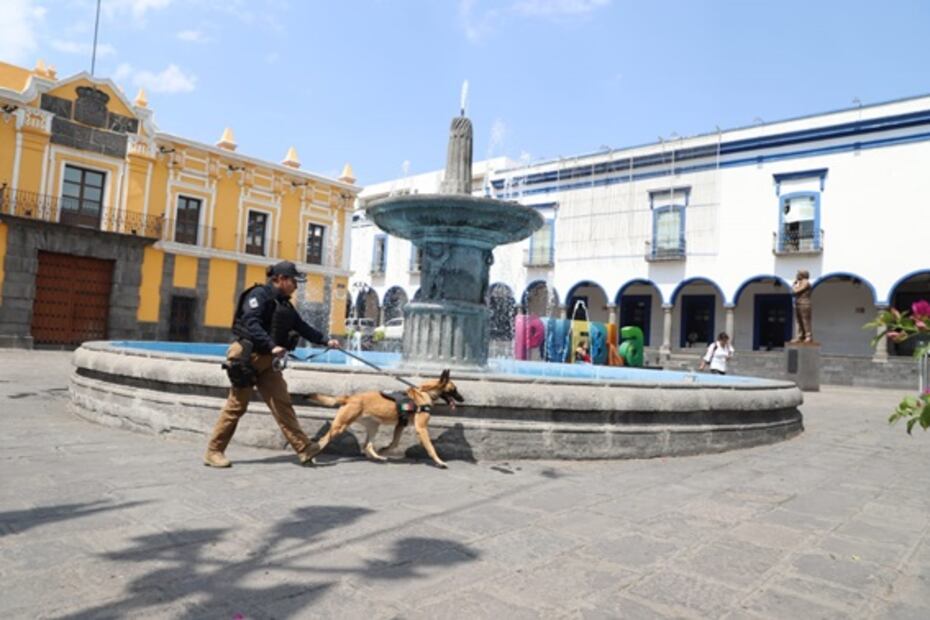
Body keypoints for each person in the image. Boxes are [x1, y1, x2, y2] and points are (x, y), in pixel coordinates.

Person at [204, 260, 340, 468]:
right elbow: (252, 322)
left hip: (268, 361)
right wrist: (272, 345)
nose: (296, 285)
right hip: (247, 356)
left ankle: (304, 449)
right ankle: (214, 451)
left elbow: (301, 326)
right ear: (282, 279)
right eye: (294, 281)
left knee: (282, 403)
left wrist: (325, 340)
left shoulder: (285, 304)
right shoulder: (258, 295)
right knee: (236, 406)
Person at [791, 269, 814, 343]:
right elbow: (794, 292)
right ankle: (800, 336)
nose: (796, 275)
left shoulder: (805, 282)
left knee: (805, 321)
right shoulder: (800, 283)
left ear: (802, 275)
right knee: (799, 321)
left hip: (804, 303)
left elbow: (795, 291)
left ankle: (808, 336)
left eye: (798, 274)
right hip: (798, 303)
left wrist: (794, 285)